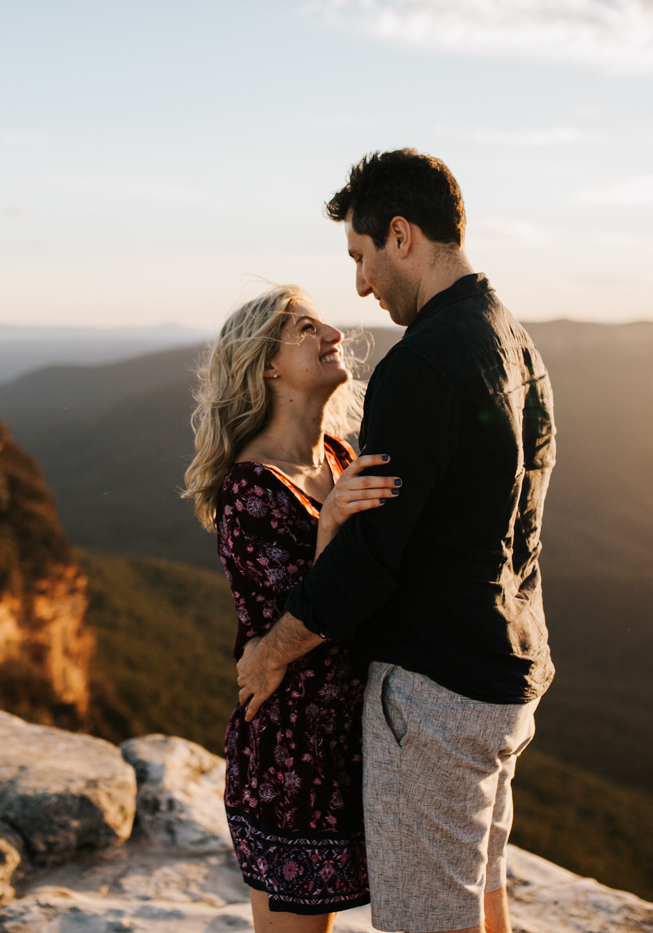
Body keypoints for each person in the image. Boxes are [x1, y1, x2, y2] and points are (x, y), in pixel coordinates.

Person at [235, 150, 557, 933]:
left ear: (402, 236)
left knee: (427, 921)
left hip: (436, 695)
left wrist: (270, 653)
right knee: (481, 905)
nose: (360, 286)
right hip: (507, 673)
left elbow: (373, 560)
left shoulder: (422, 365)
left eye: (361, 255)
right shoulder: (514, 342)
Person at [183, 284, 402, 932]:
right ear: (267, 366)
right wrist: (332, 521)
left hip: (355, 741)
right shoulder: (250, 488)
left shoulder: (338, 456)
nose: (333, 332)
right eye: (305, 328)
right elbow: (310, 613)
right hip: (292, 757)